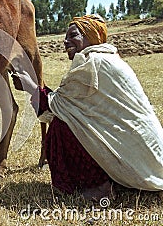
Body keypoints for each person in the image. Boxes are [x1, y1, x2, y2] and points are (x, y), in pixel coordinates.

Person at [12, 14, 163, 200]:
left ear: (90, 37)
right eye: (65, 37)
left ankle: (98, 186)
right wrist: (34, 87)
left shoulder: (93, 63)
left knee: (62, 126)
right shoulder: (108, 58)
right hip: (149, 158)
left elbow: (58, 107)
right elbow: (65, 102)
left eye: (73, 35)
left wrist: (30, 86)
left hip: (141, 160)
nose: (66, 41)